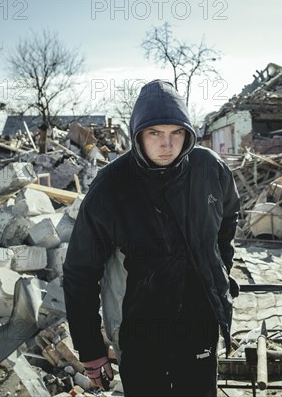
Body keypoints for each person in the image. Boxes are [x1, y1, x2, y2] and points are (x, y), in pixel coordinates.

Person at [63, 79, 240, 396]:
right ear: (138, 135)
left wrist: (221, 267)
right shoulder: (112, 186)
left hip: (199, 321)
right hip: (140, 328)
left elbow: (229, 216)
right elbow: (80, 271)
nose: (167, 145)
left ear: (187, 134)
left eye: (176, 133)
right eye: (154, 133)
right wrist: (90, 348)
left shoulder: (208, 170)